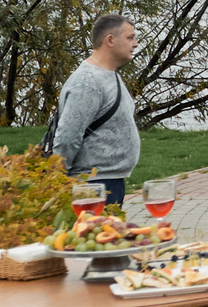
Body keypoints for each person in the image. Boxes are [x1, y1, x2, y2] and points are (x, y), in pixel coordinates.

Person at [51, 13, 142, 207]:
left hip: (108, 183)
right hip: (92, 187)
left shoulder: (107, 74)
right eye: (130, 37)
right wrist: (56, 184)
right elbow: (68, 136)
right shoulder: (88, 81)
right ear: (110, 40)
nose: (135, 44)